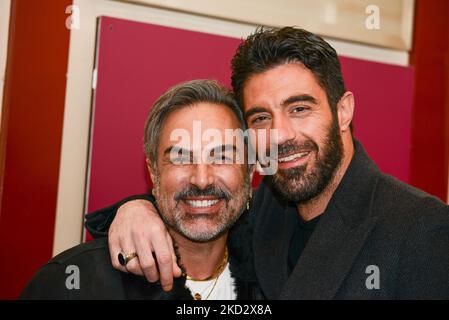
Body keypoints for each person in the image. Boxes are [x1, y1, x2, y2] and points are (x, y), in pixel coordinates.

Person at [86, 27, 449, 299]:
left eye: (299, 109)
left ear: (343, 111)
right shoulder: (263, 211)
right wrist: (137, 209)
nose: (279, 135)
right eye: (260, 118)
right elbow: (200, 199)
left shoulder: (422, 229)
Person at [21, 80, 261, 300]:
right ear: (154, 174)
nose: (201, 179)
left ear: (249, 171)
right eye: (180, 158)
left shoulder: (274, 278)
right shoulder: (71, 283)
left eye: (222, 157)